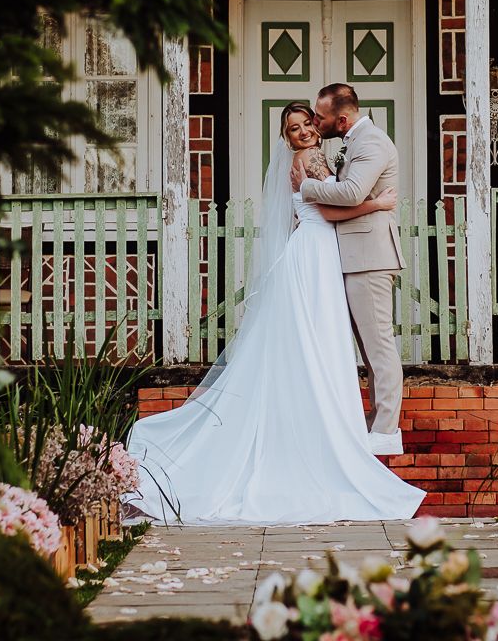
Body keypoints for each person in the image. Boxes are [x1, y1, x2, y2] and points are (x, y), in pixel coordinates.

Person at [122, 103, 424, 524]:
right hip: (316, 253)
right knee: (318, 344)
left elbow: (319, 205)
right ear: (288, 137)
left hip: (312, 251)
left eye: (306, 125)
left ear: (317, 127)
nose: (301, 132)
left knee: (307, 346)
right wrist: (378, 205)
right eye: (293, 129)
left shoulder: (311, 158)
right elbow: (332, 209)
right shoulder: (310, 159)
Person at [291, 84, 407, 456]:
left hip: (369, 256)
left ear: (341, 119)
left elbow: (352, 192)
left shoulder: (371, 142)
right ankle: (375, 424)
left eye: (319, 118)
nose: (314, 123)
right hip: (353, 256)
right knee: (368, 350)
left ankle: (387, 429)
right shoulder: (349, 143)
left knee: (380, 347)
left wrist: (306, 187)